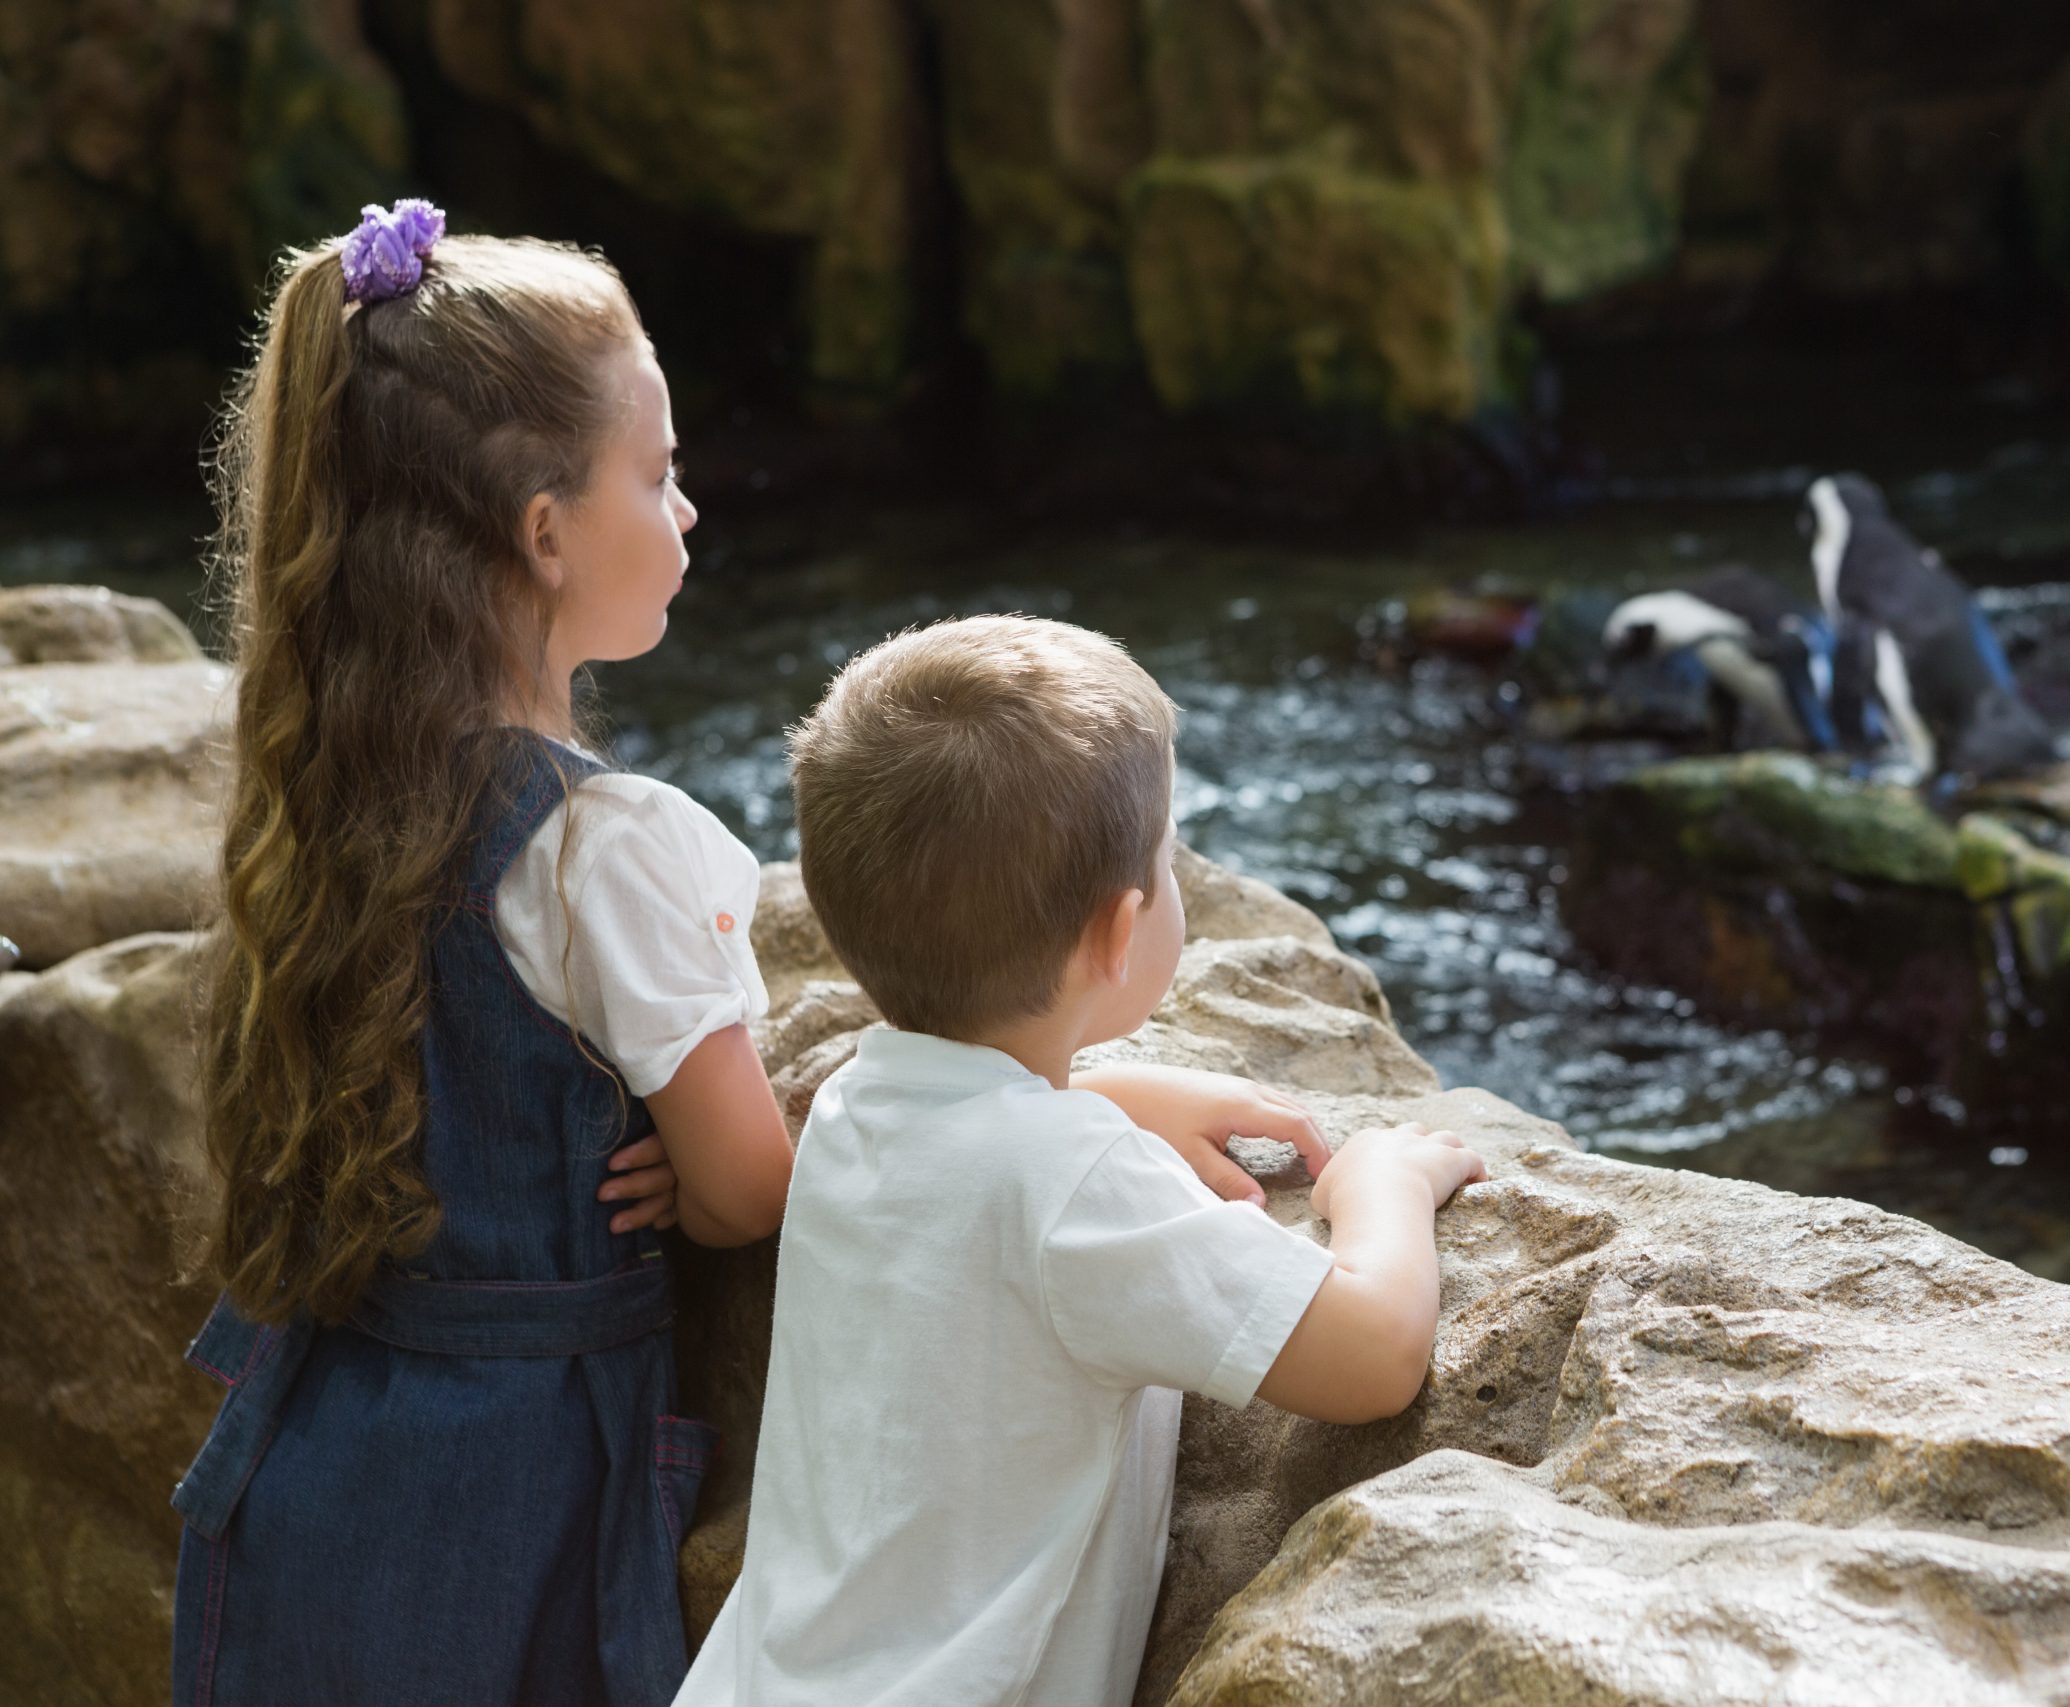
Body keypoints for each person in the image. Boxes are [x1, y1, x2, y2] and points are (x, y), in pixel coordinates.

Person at [171, 203, 1332, 1707]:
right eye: (656, 476)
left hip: (318, 1449)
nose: (692, 510)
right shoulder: (608, 845)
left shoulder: (328, 788)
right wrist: (1068, 1104)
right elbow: (753, 1184)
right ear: (542, 531)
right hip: (507, 1488)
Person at [677, 615, 1485, 1707]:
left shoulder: (854, 1109)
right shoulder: (1082, 1188)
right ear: (1116, 935)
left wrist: (1109, 1094)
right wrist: (1380, 1184)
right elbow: (1374, 1354)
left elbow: (976, 1150)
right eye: (1168, 858)